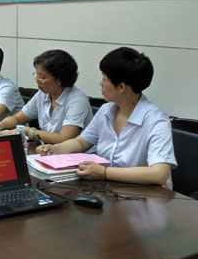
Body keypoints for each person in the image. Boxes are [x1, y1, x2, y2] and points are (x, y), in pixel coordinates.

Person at [38, 47, 176, 188]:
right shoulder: (106, 110)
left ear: (121, 87)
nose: (101, 83)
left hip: (147, 195)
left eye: (104, 79)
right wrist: (56, 149)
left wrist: (104, 172)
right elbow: (81, 142)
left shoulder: (156, 121)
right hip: (109, 189)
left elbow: (159, 174)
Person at [0, 49, 92, 144]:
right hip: (48, 150)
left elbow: (64, 138)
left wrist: (27, 131)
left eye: (43, 77)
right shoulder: (43, 94)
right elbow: (18, 118)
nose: (37, 80)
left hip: (77, 156)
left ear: (60, 80)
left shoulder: (77, 100)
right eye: (37, 75)